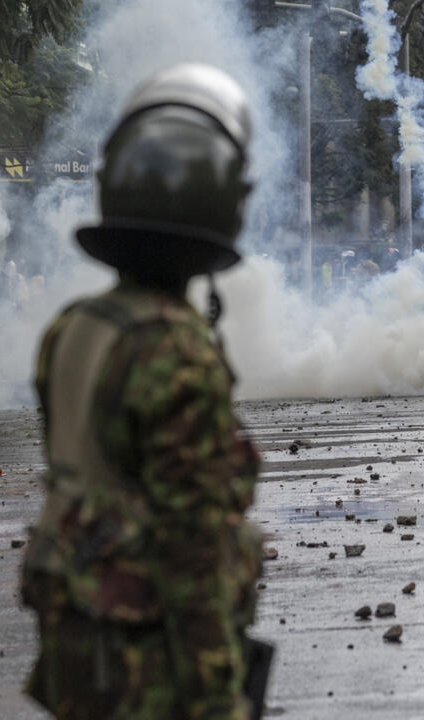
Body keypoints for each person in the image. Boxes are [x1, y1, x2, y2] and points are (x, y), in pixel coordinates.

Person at [20, 64, 268, 720]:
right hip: (149, 662)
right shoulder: (176, 350)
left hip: (77, 637)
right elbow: (193, 547)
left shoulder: (74, 326)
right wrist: (216, 695)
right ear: (224, 205)